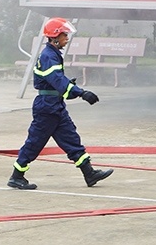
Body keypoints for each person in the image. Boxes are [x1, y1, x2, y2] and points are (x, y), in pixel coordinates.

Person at [7, 18, 113, 190]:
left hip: (55, 105)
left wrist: (71, 91)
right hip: (47, 107)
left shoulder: (53, 54)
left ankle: (89, 173)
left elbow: (57, 83)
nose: (67, 38)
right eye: (65, 35)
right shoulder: (49, 56)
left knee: (71, 138)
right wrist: (81, 93)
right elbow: (57, 80)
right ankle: (17, 176)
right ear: (54, 36)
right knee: (35, 142)